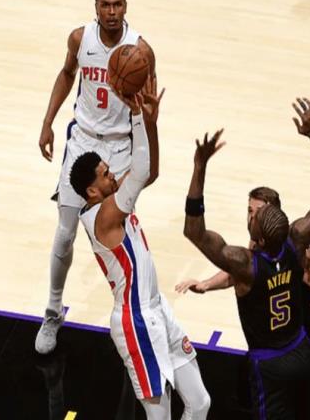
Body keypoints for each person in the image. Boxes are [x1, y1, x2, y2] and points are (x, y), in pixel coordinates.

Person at [177, 99, 310, 418]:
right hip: (301, 350)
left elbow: (194, 231)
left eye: (255, 215)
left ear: (257, 234)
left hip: (269, 364)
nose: (252, 217)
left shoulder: (244, 263)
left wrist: (199, 167)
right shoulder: (296, 241)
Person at [69, 84, 211, 420]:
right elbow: (142, 171)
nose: (113, 176)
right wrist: (136, 115)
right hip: (135, 321)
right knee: (159, 416)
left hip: (157, 309)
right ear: (91, 190)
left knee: (200, 402)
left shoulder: (114, 201)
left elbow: (152, 172)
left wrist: (151, 123)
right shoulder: (104, 216)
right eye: (106, 175)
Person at [36, 0, 156, 354]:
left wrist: (147, 141)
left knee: (116, 237)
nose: (112, 11)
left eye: (118, 4)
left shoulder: (140, 50)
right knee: (65, 233)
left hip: (119, 148)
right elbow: (66, 74)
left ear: (126, 6)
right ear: (96, 7)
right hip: (83, 142)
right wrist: (47, 122)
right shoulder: (80, 38)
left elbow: (150, 106)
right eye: (106, 5)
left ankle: (130, 314)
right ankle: (52, 312)